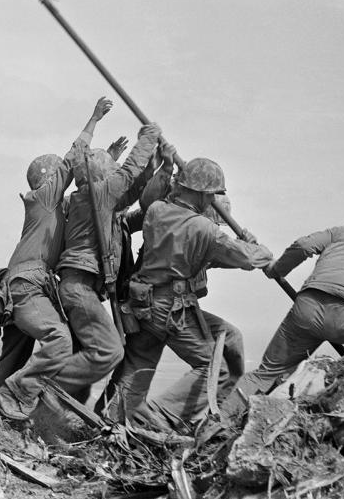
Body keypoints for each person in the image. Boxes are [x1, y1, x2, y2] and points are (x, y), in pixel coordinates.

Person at [104, 157, 273, 429]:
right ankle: (156, 417)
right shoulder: (203, 228)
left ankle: (113, 419)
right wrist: (258, 248)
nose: (211, 201)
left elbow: (194, 253)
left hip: (142, 303)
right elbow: (247, 259)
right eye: (211, 196)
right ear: (204, 194)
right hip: (171, 309)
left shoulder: (157, 211)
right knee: (215, 368)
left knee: (138, 366)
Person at [0, 97, 115, 420]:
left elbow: (89, 186)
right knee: (59, 340)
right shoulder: (43, 198)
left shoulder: (51, 209)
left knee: (12, 358)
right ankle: (16, 398)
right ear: (49, 178)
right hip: (28, 286)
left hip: (20, 287)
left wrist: (110, 158)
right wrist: (94, 120)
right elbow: (72, 160)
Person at [223, 219, 344, 416]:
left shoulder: (343, 233)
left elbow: (303, 246)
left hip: (306, 310)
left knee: (265, 373)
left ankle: (220, 420)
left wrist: (276, 270)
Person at [53, 121, 162, 402]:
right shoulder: (97, 195)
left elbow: (133, 190)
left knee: (86, 361)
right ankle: (40, 387)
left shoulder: (94, 199)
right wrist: (148, 137)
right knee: (110, 351)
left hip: (82, 287)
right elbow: (128, 174)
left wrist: (155, 166)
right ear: (101, 176)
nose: (116, 176)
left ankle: (56, 409)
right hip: (79, 287)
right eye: (111, 172)